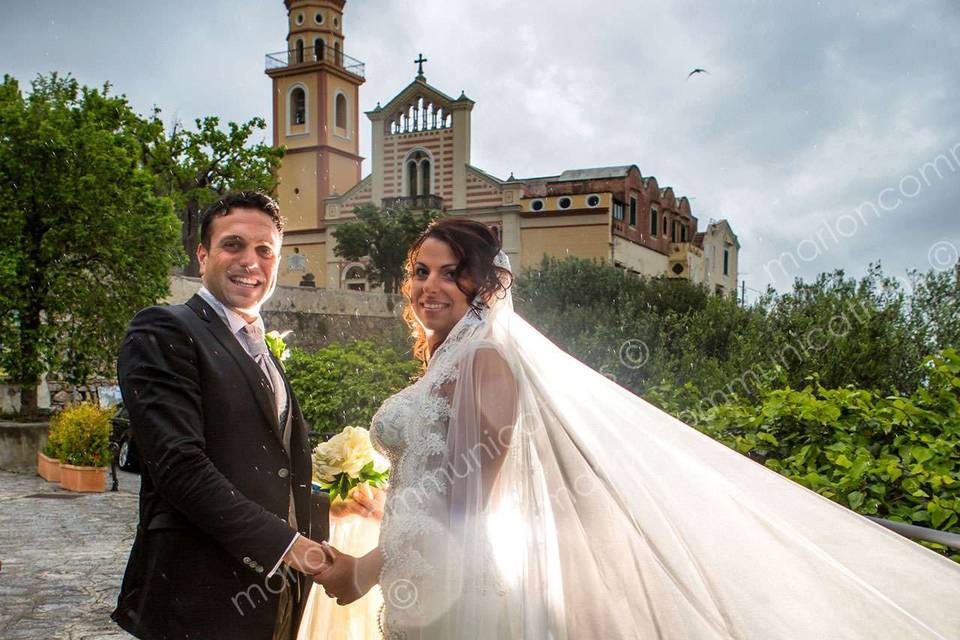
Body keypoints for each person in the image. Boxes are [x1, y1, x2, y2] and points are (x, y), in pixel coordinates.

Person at [314, 217, 960, 639]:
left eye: (449, 271)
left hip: (457, 591)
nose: (429, 285)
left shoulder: (485, 358)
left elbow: (468, 500)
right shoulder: (454, 359)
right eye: (420, 271)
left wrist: (364, 571)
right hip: (426, 576)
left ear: (482, 283)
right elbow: (433, 479)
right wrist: (379, 503)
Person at [113, 191, 331, 640]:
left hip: (273, 599)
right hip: (198, 599)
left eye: (264, 250)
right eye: (233, 245)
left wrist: (337, 501)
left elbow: (270, 464)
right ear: (202, 255)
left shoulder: (260, 348)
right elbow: (180, 469)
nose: (250, 261)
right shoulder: (163, 328)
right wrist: (296, 550)